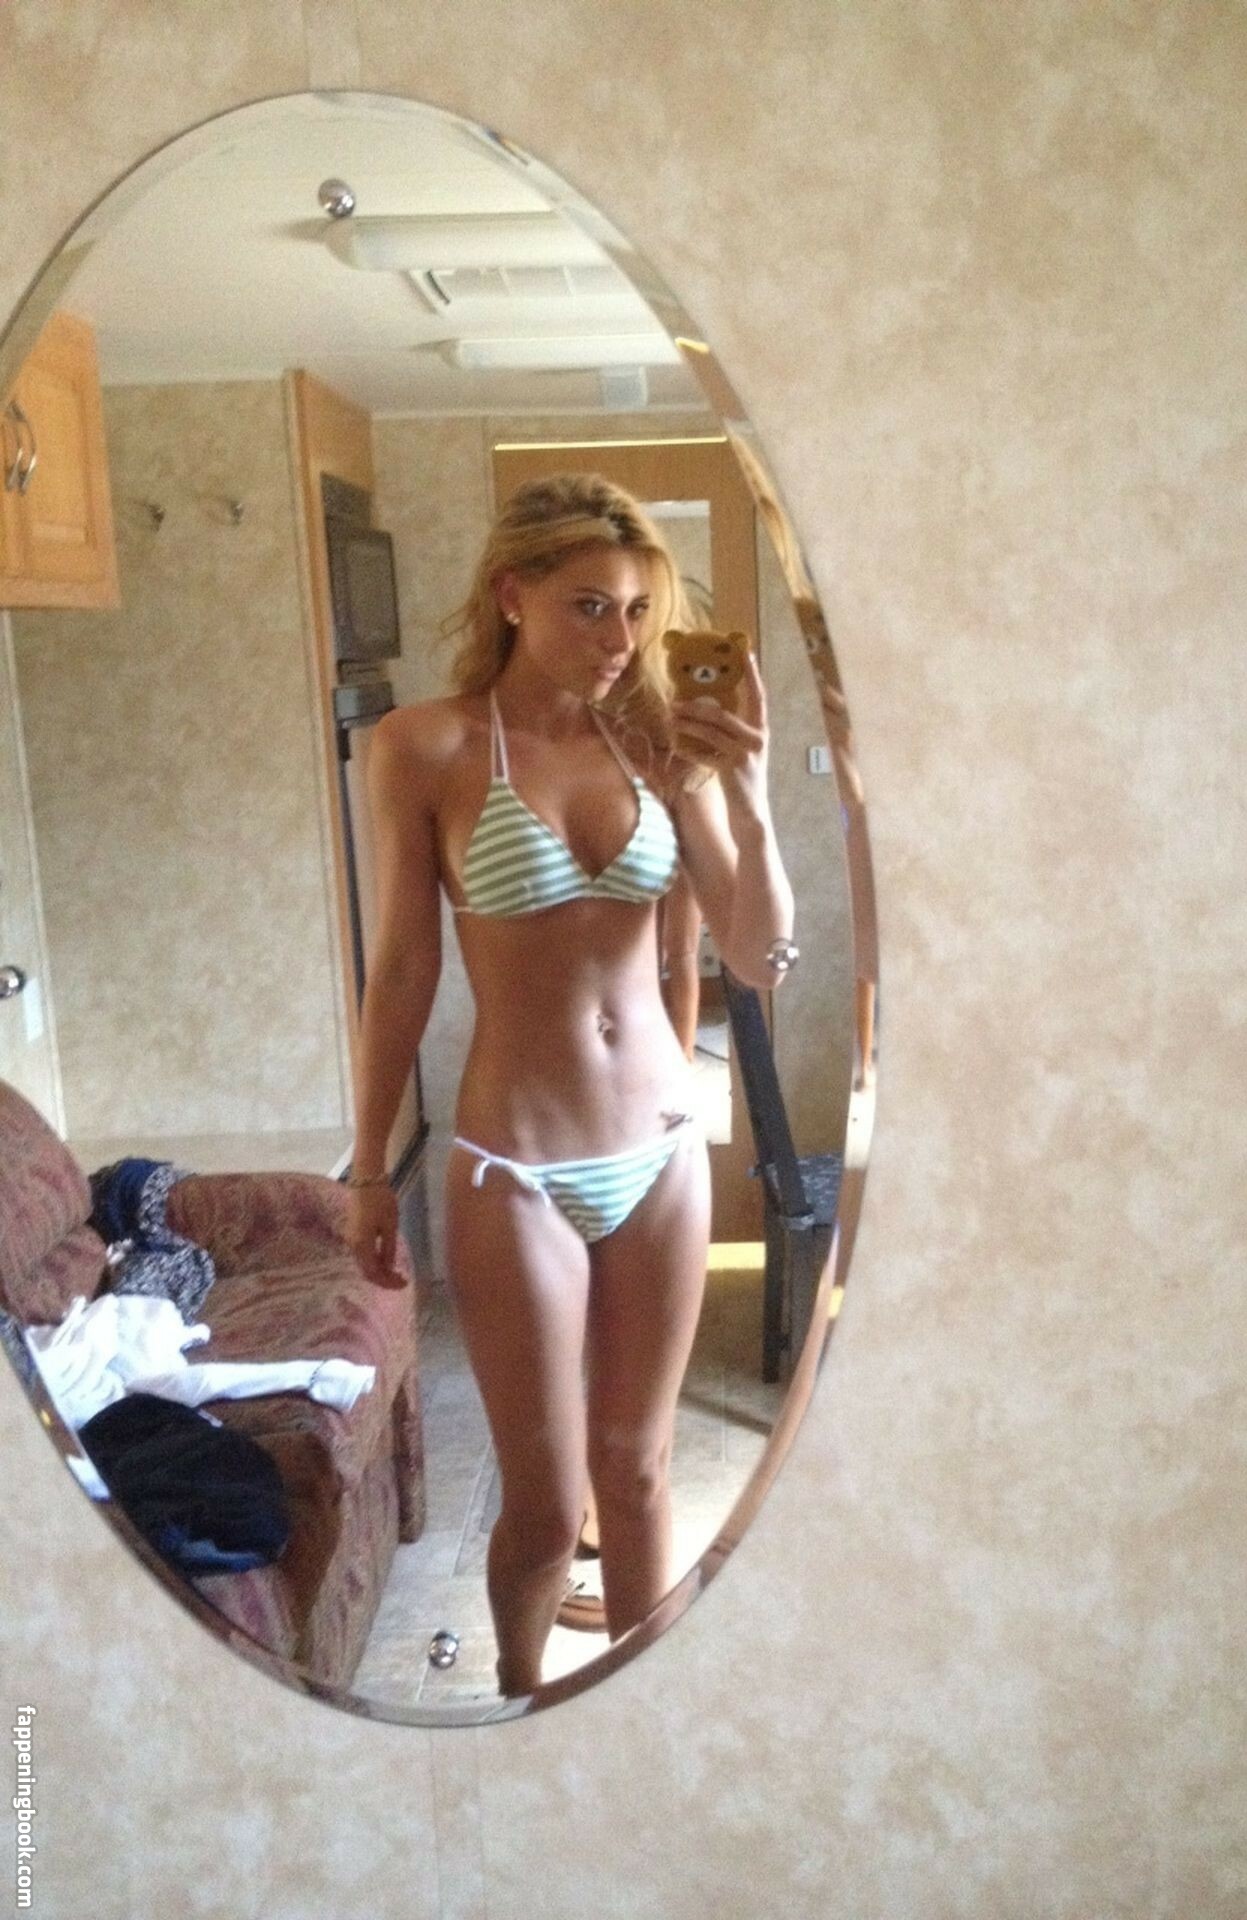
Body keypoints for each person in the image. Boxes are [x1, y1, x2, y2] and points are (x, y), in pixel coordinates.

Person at [342, 472, 795, 1698]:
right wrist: (369, 1166)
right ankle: (521, 1692)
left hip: (661, 1148)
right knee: (546, 1513)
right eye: (590, 606)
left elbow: (756, 957)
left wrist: (747, 797)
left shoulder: (656, 746)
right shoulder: (426, 745)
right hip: (516, 1164)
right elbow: (402, 970)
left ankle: (631, 1722)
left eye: (639, 611)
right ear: (512, 594)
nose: (621, 640)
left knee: (639, 1474)